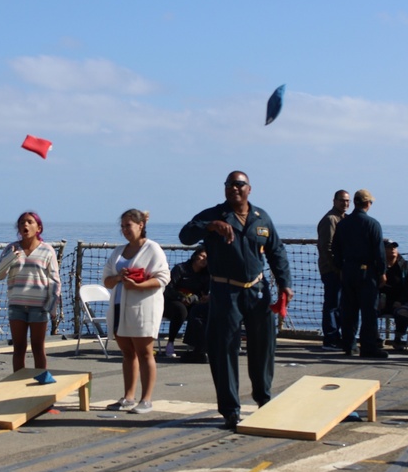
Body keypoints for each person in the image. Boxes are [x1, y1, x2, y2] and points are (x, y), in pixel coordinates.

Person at [179, 171, 294, 430]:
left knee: (263, 347)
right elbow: (185, 235)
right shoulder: (213, 214)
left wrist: (285, 283)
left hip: (257, 290)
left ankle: (264, 398)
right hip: (224, 292)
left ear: (249, 189)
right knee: (224, 350)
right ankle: (230, 410)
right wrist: (209, 226)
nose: (234, 188)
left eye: (239, 184)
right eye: (230, 185)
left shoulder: (261, 217)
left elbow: (277, 251)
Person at [103, 210, 170, 415]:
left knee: (144, 352)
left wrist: (139, 285)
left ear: (141, 225)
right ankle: (128, 396)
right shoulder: (118, 251)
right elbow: (107, 279)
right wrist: (119, 277)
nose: (124, 230)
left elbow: (163, 278)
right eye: (122, 226)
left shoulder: (153, 249)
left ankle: (146, 398)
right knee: (127, 353)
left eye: (128, 226)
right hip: (119, 306)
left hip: (143, 307)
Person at [0, 211, 61, 371]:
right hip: (17, 305)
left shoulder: (47, 250)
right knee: (19, 347)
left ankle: (41, 382)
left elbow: (54, 280)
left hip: (39, 306)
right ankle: (18, 383)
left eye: (30, 222)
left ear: (38, 227)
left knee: (38, 347)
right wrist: (10, 258)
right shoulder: (11, 248)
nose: (25, 225)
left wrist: (52, 306)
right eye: (22, 222)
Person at [332, 189, 387, 358]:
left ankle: (349, 344)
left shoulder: (342, 224)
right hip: (366, 271)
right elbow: (379, 252)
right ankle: (368, 346)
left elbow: (335, 249)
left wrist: (341, 268)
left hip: (348, 270)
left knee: (349, 309)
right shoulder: (372, 224)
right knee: (369, 311)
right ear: (368, 204)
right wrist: (382, 272)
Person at [161, 245, 211, 362]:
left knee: (200, 310)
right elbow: (168, 288)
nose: (204, 260)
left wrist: (194, 298)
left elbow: (203, 294)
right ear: (195, 256)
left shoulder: (206, 275)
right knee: (181, 310)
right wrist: (181, 297)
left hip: (191, 302)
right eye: (202, 256)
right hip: (171, 301)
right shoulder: (180, 269)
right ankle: (170, 343)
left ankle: (197, 344)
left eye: (207, 258)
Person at [317, 190, 351, 349]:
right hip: (331, 270)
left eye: (347, 201)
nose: (345, 204)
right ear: (334, 200)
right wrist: (336, 268)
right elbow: (327, 247)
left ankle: (336, 336)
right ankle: (330, 339)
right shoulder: (331, 220)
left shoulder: (344, 219)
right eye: (342, 200)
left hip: (341, 269)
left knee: (339, 304)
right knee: (332, 304)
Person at [379, 239, 408, 350]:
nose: (392, 249)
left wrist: (400, 300)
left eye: (394, 247)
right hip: (383, 299)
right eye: (389, 247)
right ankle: (375, 338)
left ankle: (398, 339)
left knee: (403, 312)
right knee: (369, 308)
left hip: (402, 299)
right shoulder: (378, 265)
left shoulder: (404, 265)